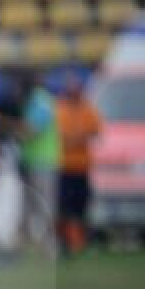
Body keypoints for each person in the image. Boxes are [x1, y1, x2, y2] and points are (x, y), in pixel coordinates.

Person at [13, 70, 61, 254]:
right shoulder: (33, 101)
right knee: (28, 204)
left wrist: (7, 126)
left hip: (44, 162)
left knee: (46, 204)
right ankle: (24, 243)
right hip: (30, 161)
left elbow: (31, 130)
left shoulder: (41, 101)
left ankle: (49, 244)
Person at [54, 72, 101, 256]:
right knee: (65, 206)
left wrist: (77, 138)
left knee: (81, 205)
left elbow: (95, 130)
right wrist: (79, 137)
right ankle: (65, 242)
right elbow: (62, 136)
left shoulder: (87, 108)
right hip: (65, 166)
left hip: (82, 167)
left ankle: (80, 241)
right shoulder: (61, 109)